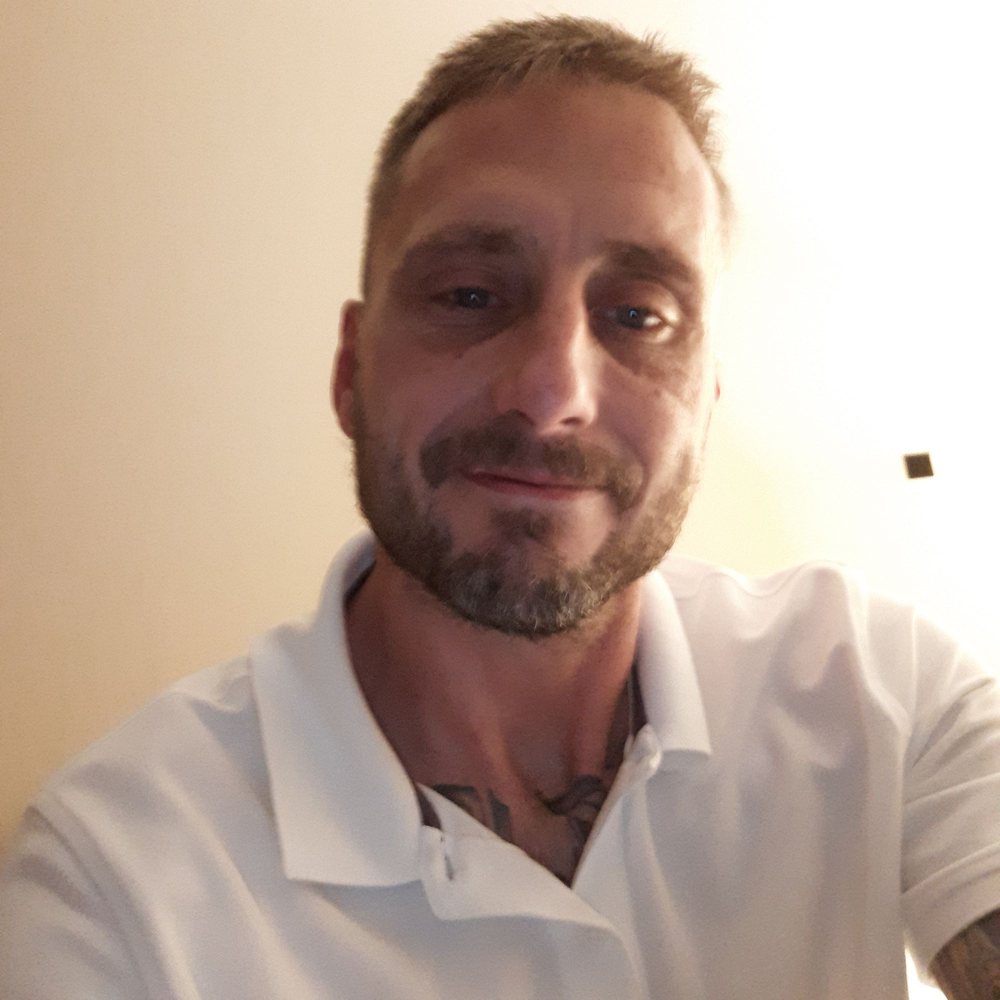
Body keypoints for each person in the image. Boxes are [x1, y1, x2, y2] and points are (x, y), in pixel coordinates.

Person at [1, 14, 999, 1000]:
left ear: (707, 399)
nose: (551, 389)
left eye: (638, 315)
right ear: (350, 370)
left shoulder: (876, 692)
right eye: (471, 294)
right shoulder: (113, 883)